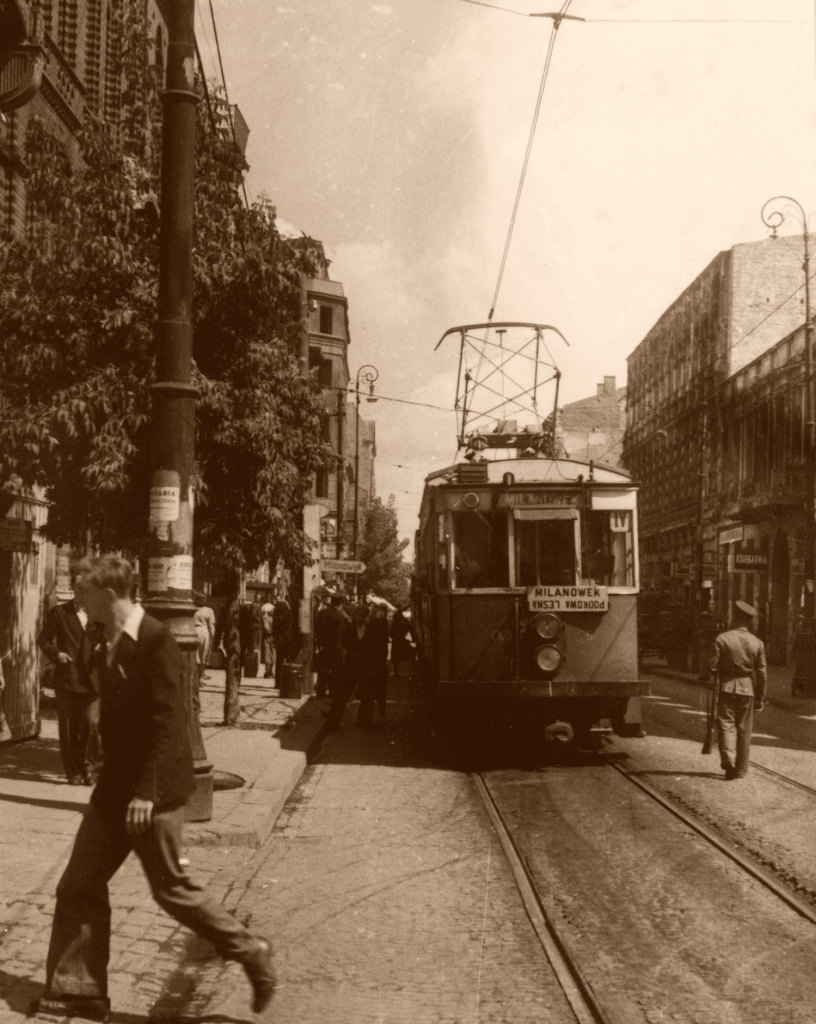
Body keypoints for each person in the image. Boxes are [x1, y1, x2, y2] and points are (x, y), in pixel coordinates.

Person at [33, 556, 275, 1022]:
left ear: (108, 594)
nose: (74, 596)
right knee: (79, 884)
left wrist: (146, 792)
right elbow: (99, 690)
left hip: (152, 792)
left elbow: (169, 725)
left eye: (82, 589)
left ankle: (252, 950)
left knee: (173, 891)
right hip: (114, 787)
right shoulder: (102, 635)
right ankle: (80, 990)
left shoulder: (157, 640)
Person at [38, 574, 103, 786]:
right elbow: (44, 640)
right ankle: (73, 771)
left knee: (91, 724)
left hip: (93, 679)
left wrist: (106, 648)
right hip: (67, 676)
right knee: (68, 728)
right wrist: (56, 654)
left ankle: (88, 766)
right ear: (75, 589)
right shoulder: (59, 613)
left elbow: (112, 638)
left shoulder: (99, 614)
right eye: (81, 588)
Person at [709, 600, 767, 781]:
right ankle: (741, 769)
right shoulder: (757, 643)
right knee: (744, 730)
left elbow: (712, 666)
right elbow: (762, 674)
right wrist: (760, 698)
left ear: (735, 617)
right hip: (747, 690)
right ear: (749, 621)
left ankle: (728, 760)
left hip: (726, 687)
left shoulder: (722, 638)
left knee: (726, 725)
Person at [357, 603, 390, 727]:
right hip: (378, 666)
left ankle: (364, 719)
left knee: (367, 695)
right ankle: (377, 716)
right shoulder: (380, 627)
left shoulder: (369, 629)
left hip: (369, 666)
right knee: (377, 693)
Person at [193, 592, 216, 682]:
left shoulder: (192, 609)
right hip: (204, 631)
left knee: (195, 654)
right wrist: (213, 637)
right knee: (204, 655)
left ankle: (195, 677)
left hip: (194, 631)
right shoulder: (209, 610)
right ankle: (201, 677)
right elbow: (211, 626)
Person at [390, 606, 415, 677]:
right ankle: (413, 664)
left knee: (395, 659)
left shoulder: (393, 625)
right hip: (402, 641)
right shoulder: (402, 625)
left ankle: (395, 673)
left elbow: (391, 635)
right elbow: (408, 630)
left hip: (395, 643)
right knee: (412, 651)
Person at [261, 597, 275, 679]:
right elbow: (267, 628)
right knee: (267, 653)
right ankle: (267, 671)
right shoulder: (266, 617)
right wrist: (273, 630)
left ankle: (270, 670)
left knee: (272, 653)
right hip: (268, 636)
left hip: (271, 636)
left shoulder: (271, 617)